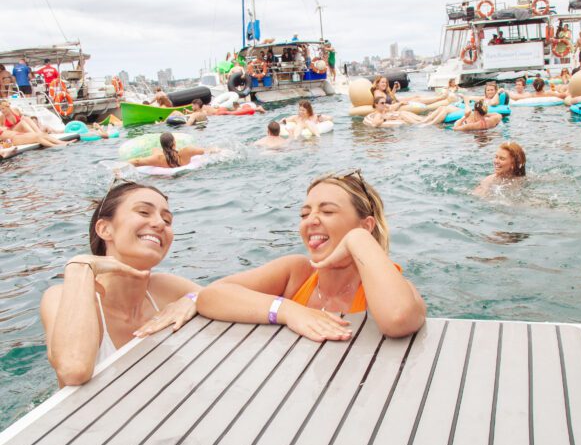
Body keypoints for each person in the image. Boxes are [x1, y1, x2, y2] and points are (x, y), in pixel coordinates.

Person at [197, 170, 426, 341]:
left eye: (327, 211)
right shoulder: (297, 272)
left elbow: (399, 319)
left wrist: (358, 239)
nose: (311, 220)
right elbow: (210, 296)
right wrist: (290, 310)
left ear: (366, 225)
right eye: (305, 214)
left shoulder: (385, 284)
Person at [40, 181, 201, 386]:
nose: (160, 224)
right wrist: (79, 266)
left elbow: (223, 293)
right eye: (144, 212)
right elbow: (73, 370)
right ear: (105, 229)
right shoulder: (59, 296)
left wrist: (192, 299)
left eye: (167, 220)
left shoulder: (165, 287)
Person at [128, 132, 219, 169]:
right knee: (156, 150)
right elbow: (208, 150)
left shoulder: (158, 159)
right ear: (174, 142)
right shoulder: (187, 151)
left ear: (162, 146)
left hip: (166, 177)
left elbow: (137, 161)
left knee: (155, 150)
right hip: (186, 176)